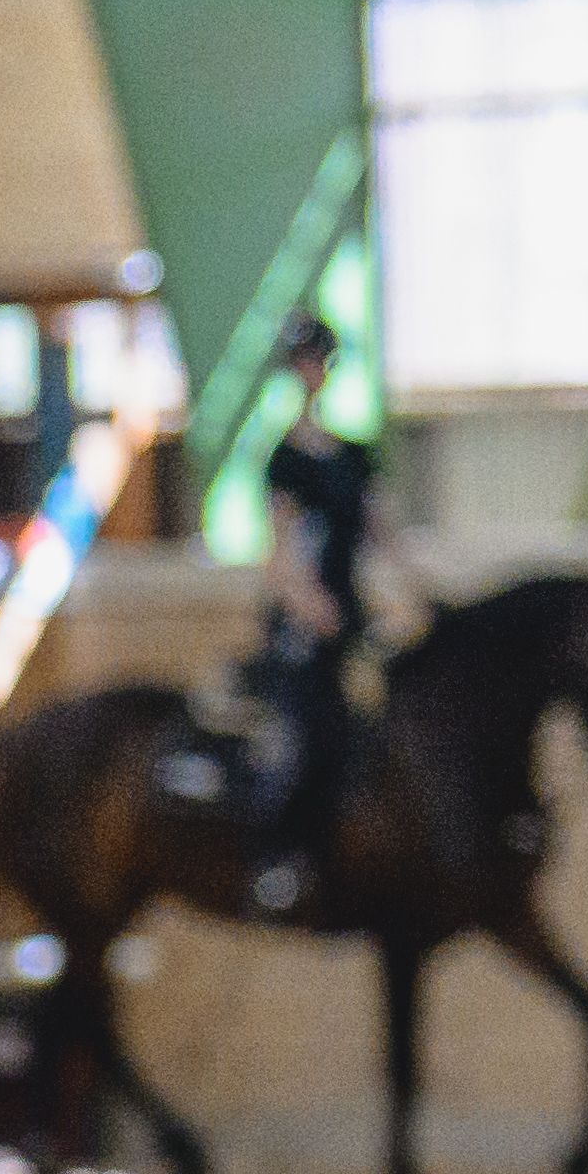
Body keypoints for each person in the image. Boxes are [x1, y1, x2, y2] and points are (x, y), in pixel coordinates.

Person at [233, 388, 422, 919]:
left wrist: (416, 594)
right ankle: (276, 859)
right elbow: (279, 555)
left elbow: (385, 534)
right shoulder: (285, 461)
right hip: (306, 628)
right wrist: (314, 609)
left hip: (352, 618)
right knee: (303, 737)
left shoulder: (355, 457)